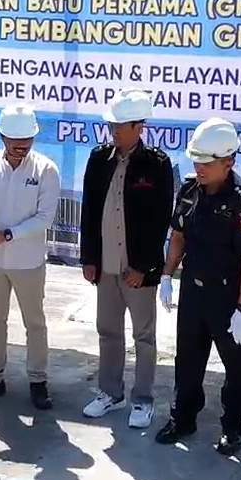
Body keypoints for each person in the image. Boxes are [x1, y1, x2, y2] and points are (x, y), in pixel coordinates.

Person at [155, 118, 241, 455]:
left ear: (228, 161)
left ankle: (232, 427)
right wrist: (166, 276)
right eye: (196, 161)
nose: (199, 167)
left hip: (230, 297)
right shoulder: (189, 192)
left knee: (236, 367)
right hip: (194, 291)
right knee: (187, 361)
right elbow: (178, 235)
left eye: (206, 162)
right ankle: (183, 417)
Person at [78, 88, 175, 430]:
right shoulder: (98, 159)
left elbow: (161, 218)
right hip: (105, 264)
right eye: (111, 125)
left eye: (120, 125)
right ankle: (110, 393)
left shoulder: (157, 164)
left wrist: (146, 267)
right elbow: (88, 211)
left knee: (144, 336)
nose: (114, 131)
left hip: (138, 270)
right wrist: (87, 257)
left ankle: (143, 400)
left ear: (139, 127)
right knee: (108, 330)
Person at [0, 104, 62, 410]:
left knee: (35, 322)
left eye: (27, 142)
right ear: (1, 136)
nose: (22, 148)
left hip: (29, 261)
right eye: (16, 142)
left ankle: (37, 380)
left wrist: (5, 235)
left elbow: (44, 219)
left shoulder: (45, 170)